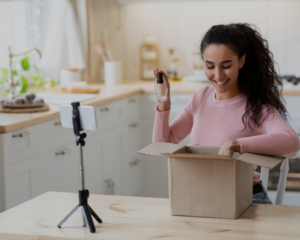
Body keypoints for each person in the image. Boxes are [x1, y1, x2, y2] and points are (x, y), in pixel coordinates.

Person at [152, 23, 300, 204]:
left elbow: (292, 141)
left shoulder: (257, 106)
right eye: (210, 66)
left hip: (245, 197)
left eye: (226, 65)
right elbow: (161, 145)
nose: (218, 75)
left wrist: (237, 145)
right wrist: (163, 103)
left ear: (241, 61)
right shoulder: (200, 97)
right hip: (202, 195)